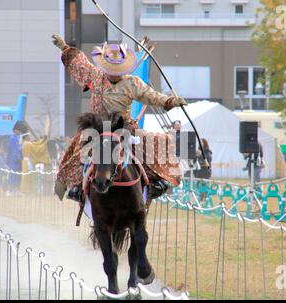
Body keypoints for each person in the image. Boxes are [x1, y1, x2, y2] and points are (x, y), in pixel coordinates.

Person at [51, 35, 186, 203]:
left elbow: (150, 95)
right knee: (81, 150)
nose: (114, 74)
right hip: (97, 127)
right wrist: (64, 47)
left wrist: (170, 101)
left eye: (118, 70)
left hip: (123, 127)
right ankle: (77, 186)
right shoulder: (95, 75)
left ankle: (156, 182)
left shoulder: (132, 83)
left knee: (155, 141)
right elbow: (80, 64)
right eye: (111, 70)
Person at [6, 122, 24, 195]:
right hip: (14, 161)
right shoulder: (12, 138)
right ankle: (11, 190)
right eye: (18, 130)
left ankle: (16, 189)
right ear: (15, 130)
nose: (19, 131)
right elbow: (13, 150)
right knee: (13, 175)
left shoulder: (19, 138)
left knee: (18, 175)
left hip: (18, 160)